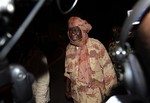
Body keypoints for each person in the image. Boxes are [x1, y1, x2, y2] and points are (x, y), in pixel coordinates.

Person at [64, 16, 118, 103]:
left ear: (82, 30)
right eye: (71, 30)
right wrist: (67, 88)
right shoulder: (69, 49)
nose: (73, 33)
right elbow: (68, 72)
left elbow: (109, 71)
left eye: (75, 30)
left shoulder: (96, 46)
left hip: (95, 97)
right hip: (77, 97)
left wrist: (109, 95)